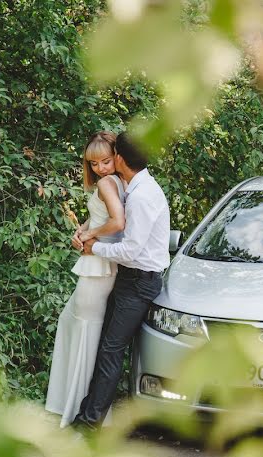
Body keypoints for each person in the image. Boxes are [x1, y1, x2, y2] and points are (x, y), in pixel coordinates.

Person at [71, 132, 170, 431]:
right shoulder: (134, 187)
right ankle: (87, 415)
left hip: (139, 282)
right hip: (129, 279)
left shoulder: (141, 196)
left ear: (120, 159)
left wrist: (93, 247)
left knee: (111, 352)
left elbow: (130, 250)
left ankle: (90, 424)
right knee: (107, 349)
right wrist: (90, 229)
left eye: (110, 156)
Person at [45, 131, 126, 427]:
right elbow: (101, 218)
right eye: (94, 164)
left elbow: (118, 222)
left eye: (106, 161)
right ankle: (74, 404)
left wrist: (90, 235)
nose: (101, 168)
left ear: (116, 157)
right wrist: (81, 230)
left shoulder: (108, 182)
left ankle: (78, 408)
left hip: (99, 269)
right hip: (96, 264)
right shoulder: (113, 183)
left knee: (86, 333)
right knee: (73, 325)